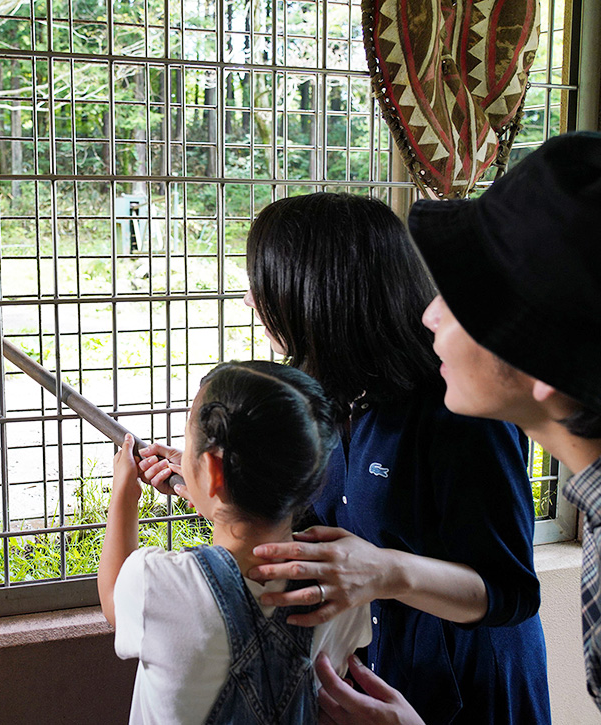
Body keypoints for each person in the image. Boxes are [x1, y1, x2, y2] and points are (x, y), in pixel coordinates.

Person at [139, 193, 551, 724]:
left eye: (262, 283)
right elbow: (305, 529)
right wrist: (213, 487)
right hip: (369, 680)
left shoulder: (460, 406)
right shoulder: (320, 395)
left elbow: (511, 592)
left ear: (317, 293)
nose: (250, 299)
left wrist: (387, 571)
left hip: (467, 690)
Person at [314, 130, 601, 723]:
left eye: (465, 296)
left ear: (542, 353)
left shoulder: (454, 417)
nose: (428, 311)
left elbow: (509, 590)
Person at [98, 361, 372, 724]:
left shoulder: (159, 582)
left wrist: (123, 495)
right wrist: (217, 496)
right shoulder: (341, 582)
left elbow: (114, 599)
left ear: (212, 470)